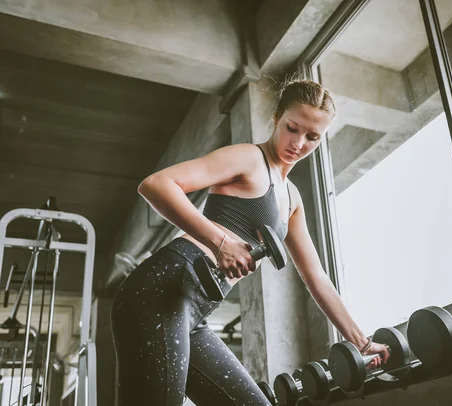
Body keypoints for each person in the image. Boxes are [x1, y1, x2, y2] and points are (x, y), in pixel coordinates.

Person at [111, 79, 390, 406]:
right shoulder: (248, 158)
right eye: (293, 128)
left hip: (197, 310)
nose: (298, 143)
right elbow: (157, 185)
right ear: (276, 118)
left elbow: (316, 276)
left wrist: (360, 341)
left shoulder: (292, 199)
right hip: (164, 290)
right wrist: (220, 242)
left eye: (312, 137)